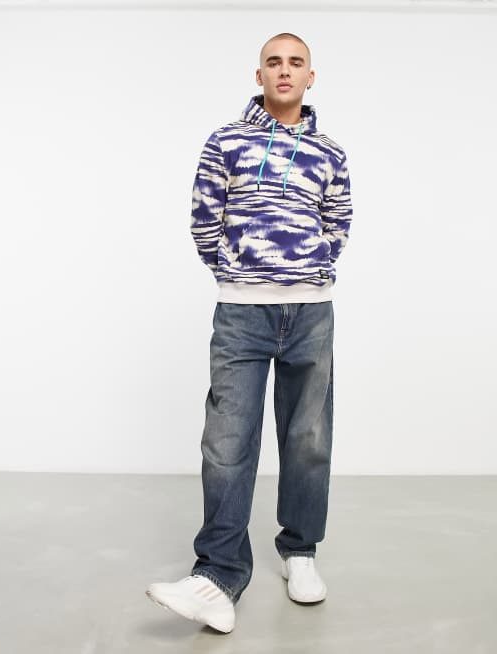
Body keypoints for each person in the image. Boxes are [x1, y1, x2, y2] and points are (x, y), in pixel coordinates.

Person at [146, 31, 353, 634]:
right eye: (273, 62)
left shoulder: (331, 153)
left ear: (310, 77)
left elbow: (338, 222)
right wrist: (237, 271)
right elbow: (203, 218)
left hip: (310, 312)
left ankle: (300, 551)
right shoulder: (226, 142)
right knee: (227, 441)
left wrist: (310, 265)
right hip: (242, 313)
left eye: (296, 62)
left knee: (308, 438)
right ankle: (217, 576)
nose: (284, 71)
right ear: (259, 75)